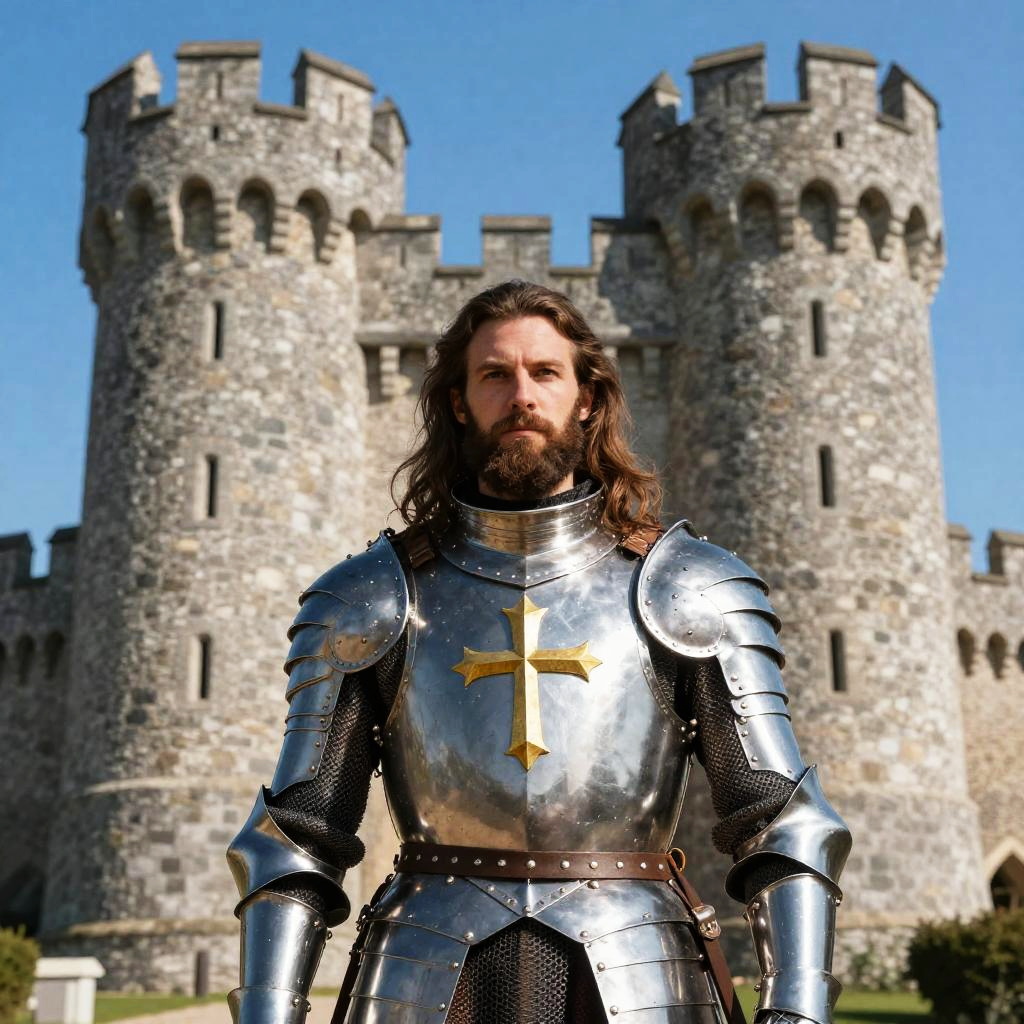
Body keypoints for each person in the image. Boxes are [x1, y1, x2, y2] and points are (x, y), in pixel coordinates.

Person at [227, 280, 851, 1024]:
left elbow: (781, 818)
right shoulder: (370, 597)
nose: (520, 394)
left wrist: (797, 1009)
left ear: (587, 397)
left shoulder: (689, 587)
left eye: (545, 373)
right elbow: (298, 836)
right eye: (494, 374)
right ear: (458, 401)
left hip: (641, 974)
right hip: (422, 979)